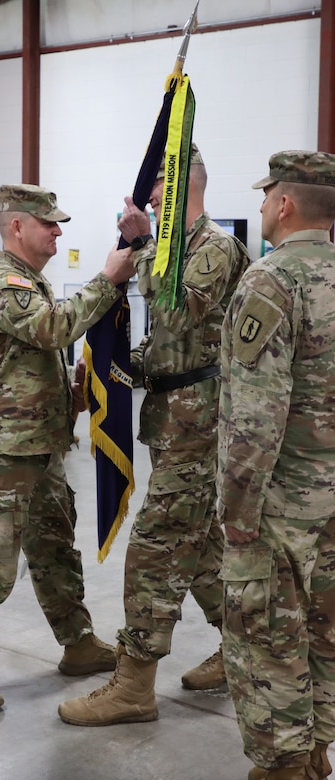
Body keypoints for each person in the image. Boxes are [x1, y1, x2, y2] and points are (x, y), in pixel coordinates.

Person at [58, 142, 251, 727]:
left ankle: (134, 685)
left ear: (182, 186)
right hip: (174, 419)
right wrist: (125, 365)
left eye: (158, 180)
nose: (147, 192)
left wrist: (141, 246)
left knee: (154, 550)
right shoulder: (176, 249)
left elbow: (177, 313)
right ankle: (242, 649)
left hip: (200, 423)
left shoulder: (214, 247)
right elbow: (167, 341)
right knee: (197, 551)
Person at [0, 182, 137, 712]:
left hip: (42, 445)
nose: (57, 232)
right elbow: (52, 329)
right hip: (7, 454)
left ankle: (77, 645)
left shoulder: (31, 280)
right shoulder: (1, 282)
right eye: (49, 223)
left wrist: (72, 398)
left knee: (54, 551)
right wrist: (107, 280)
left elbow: (20, 364)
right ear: (17, 227)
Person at [217, 150, 335, 780]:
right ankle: (317, 749)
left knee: (265, 636)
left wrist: (237, 513)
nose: (262, 206)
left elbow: (255, 417)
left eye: (267, 197)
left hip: (279, 504)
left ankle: (284, 763)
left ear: (284, 204)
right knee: (325, 627)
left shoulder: (273, 281)